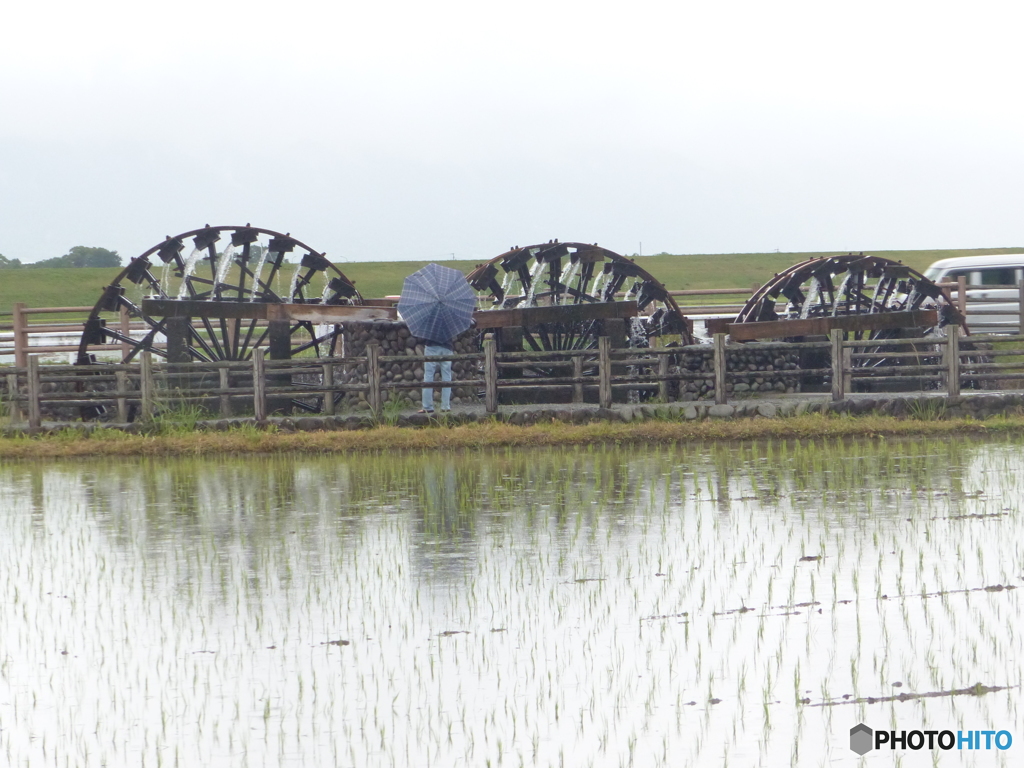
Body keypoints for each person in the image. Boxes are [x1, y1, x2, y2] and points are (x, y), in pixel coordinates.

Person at [420, 335, 453, 413]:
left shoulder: (431, 326)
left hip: (431, 344)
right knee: (447, 376)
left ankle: (427, 406)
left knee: (428, 375)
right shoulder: (449, 326)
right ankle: (445, 406)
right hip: (447, 346)